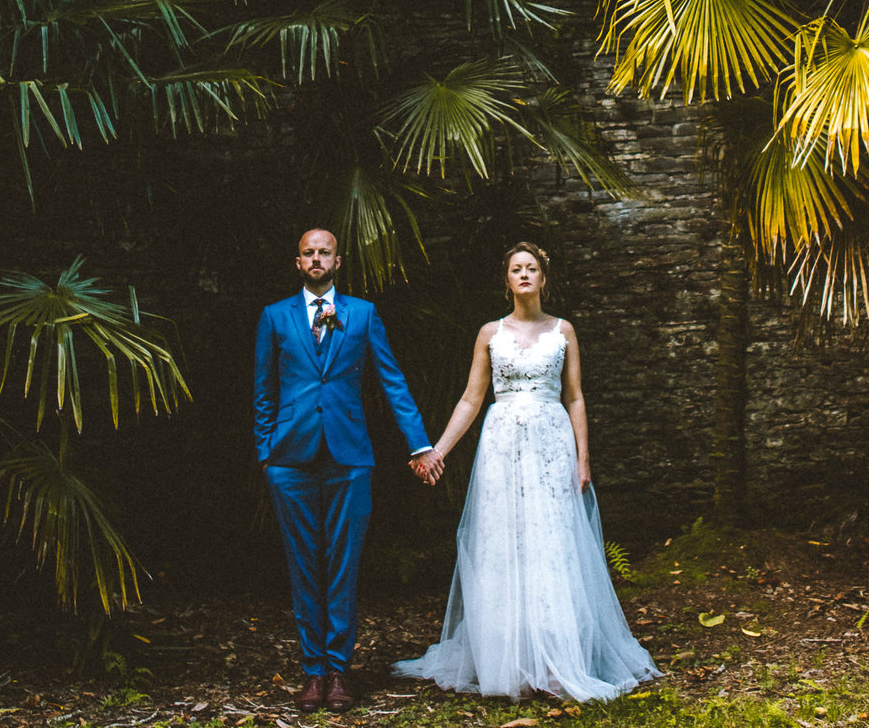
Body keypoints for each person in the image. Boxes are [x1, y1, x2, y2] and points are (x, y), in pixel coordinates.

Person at [394, 242, 660, 702]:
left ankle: (557, 658)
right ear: (506, 279)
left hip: (551, 442)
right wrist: (437, 451)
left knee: (552, 539)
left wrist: (583, 458)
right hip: (501, 445)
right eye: (516, 268)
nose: (523, 274)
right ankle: (509, 659)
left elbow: (574, 397)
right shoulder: (489, 333)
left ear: (542, 278)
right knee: (505, 540)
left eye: (531, 268)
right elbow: (471, 399)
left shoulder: (563, 330)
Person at [255, 227, 441, 711]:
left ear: (338, 262)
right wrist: (266, 453)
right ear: (298, 263)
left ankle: (338, 672)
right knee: (303, 567)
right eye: (308, 253)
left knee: (342, 566)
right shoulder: (275, 316)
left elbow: (392, 381)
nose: (316, 259)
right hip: (289, 461)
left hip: (350, 458)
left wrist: (420, 444)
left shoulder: (362, 314)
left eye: (325, 252)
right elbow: (264, 390)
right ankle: (312, 673)